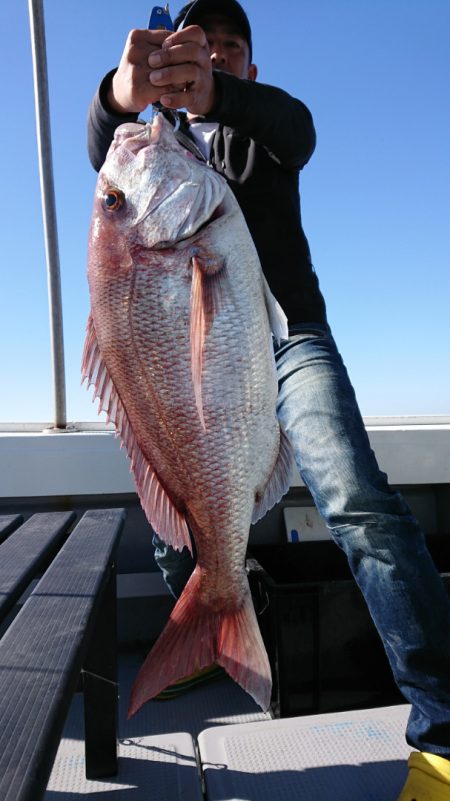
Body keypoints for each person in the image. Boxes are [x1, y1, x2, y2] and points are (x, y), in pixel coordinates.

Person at [87, 1, 450, 797]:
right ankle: (204, 630)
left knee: (358, 501)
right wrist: (121, 94)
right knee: (164, 476)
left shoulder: (259, 136)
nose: (211, 58)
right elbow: (100, 151)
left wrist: (215, 95)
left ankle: (443, 736)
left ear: (246, 68)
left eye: (228, 50)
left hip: (289, 343)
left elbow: (300, 127)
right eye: (198, 46)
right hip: (202, 368)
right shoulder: (157, 142)